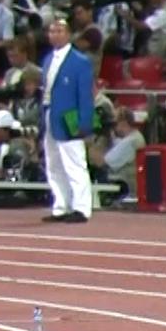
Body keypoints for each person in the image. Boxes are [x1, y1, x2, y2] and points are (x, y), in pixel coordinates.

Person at [40, 17, 97, 222]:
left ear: (69, 34)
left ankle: (81, 208)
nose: (55, 35)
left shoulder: (80, 62)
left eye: (59, 31)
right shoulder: (47, 59)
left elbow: (85, 95)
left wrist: (85, 122)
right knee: (54, 163)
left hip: (70, 116)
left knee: (75, 163)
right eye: (52, 31)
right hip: (50, 114)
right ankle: (61, 205)